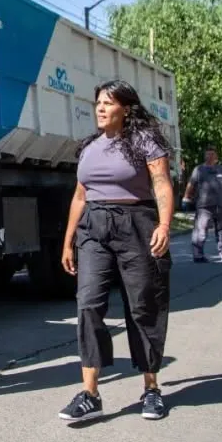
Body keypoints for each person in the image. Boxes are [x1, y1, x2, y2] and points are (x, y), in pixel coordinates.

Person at [57, 79, 176, 423]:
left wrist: (164, 226)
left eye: (108, 103)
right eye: (98, 102)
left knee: (142, 307)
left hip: (136, 224)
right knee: (89, 304)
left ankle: (151, 388)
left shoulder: (143, 141)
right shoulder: (91, 147)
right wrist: (68, 241)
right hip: (94, 229)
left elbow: (161, 183)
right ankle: (90, 393)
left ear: (126, 108)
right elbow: (80, 196)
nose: (100, 108)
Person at [182, 147, 222, 263]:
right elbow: (191, 184)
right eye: (207, 154)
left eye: (212, 155)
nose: (209, 157)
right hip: (204, 207)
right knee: (201, 231)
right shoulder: (199, 170)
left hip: (220, 205)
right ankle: (198, 255)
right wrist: (186, 198)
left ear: (216, 157)